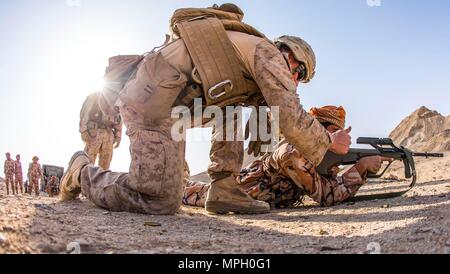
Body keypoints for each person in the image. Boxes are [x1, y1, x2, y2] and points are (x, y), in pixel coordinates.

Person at [59, 4, 351, 215]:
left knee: (234, 106)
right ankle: (81, 171)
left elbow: (258, 116)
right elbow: (289, 114)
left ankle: (225, 188)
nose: (296, 82)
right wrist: (328, 141)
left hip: (173, 110)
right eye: (299, 73)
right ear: (289, 55)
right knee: (158, 200)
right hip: (151, 104)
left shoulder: (249, 63)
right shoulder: (267, 53)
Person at [183, 106, 393, 208]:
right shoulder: (293, 152)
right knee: (180, 189)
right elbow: (327, 195)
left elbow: (328, 184)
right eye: (333, 133)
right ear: (319, 130)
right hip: (233, 195)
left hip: (253, 197)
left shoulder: (316, 158)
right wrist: (361, 168)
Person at [80, 91, 123, 170]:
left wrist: (118, 136)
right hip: (94, 132)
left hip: (109, 134)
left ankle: (101, 182)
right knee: (88, 162)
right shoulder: (94, 96)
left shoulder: (118, 100)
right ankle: (84, 181)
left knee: (105, 165)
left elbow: (119, 119)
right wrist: (84, 131)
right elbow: (85, 113)